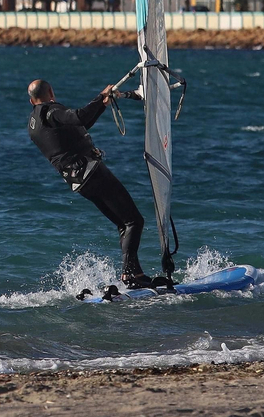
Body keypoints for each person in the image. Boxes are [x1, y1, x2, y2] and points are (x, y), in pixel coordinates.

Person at [26, 78, 162, 289]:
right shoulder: (51, 112)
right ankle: (129, 275)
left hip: (78, 182)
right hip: (91, 172)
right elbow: (78, 116)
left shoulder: (34, 123)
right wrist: (100, 98)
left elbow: (81, 123)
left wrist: (102, 103)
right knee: (134, 220)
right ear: (51, 92)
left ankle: (135, 273)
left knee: (124, 223)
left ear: (31, 100)